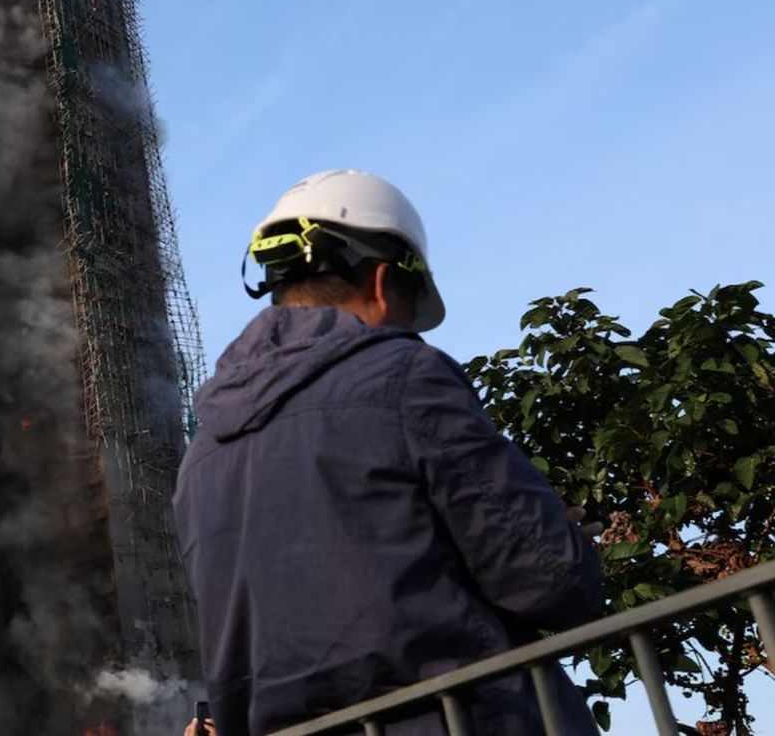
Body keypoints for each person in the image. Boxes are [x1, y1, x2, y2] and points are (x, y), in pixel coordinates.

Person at [172, 170, 604, 735]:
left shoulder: (200, 457)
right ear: (382, 282)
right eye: (408, 308)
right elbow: (552, 583)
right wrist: (563, 538)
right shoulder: (404, 377)